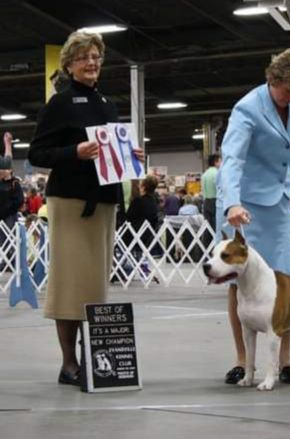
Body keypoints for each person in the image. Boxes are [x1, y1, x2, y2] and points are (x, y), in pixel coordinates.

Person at [28, 31, 144, 386]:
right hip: (71, 203)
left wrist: (131, 158)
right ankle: (69, 363)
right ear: (69, 64)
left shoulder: (108, 104)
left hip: (105, 202)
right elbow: (36, 154)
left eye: (96, 57)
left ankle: (95, 361)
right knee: (70, 286)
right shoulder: (60, 103)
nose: (91, 63)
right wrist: (73, 152)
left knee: (94, 287)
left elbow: (110, 154)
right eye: (83, 58)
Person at [218, 47, 290, 385]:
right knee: (239, 283)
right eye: (287, 90)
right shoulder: (247, 108)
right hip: (244, 209)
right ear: (273, 78)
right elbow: (231, 159)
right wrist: (232, 203)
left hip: (279, 204)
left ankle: (285, 360)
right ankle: (242, 360)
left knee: (283, 282)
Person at [201, 154, 221, 231]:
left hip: (206, 202)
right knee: (217, 226)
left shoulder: (204, 174)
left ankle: (205, 243)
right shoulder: (217, 173)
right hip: (216, 202)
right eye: (220, 161)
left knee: (207, 227)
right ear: (216, 162)